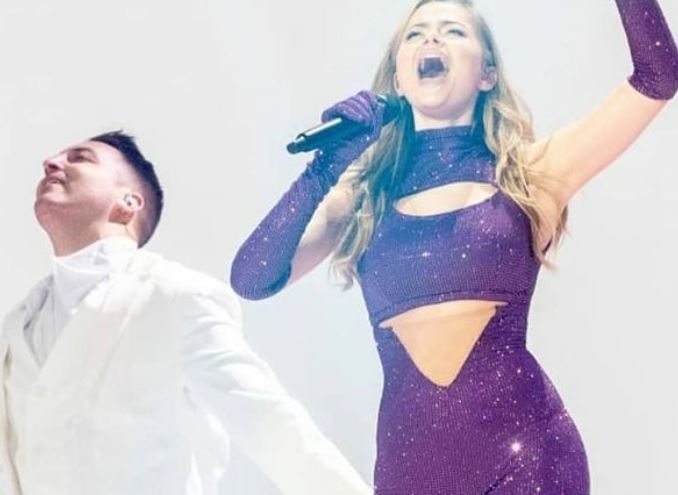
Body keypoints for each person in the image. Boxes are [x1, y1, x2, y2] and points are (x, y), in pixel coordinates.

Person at [230, 0, 678, 493]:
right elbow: (252, 279)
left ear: (487, 74)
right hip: (409, 474)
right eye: (415, 33)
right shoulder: (361, 198)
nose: (432, 38)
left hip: (529, 460)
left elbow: (657, 76)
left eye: (453, 31)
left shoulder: (529, 174)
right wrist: (323, 168)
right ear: (397, 79)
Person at [0, 131, 372, 495]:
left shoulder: (172, 296)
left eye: (81, 158)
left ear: (128, 202)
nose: (50, 163)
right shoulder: (16, 327)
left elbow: (271, 425)